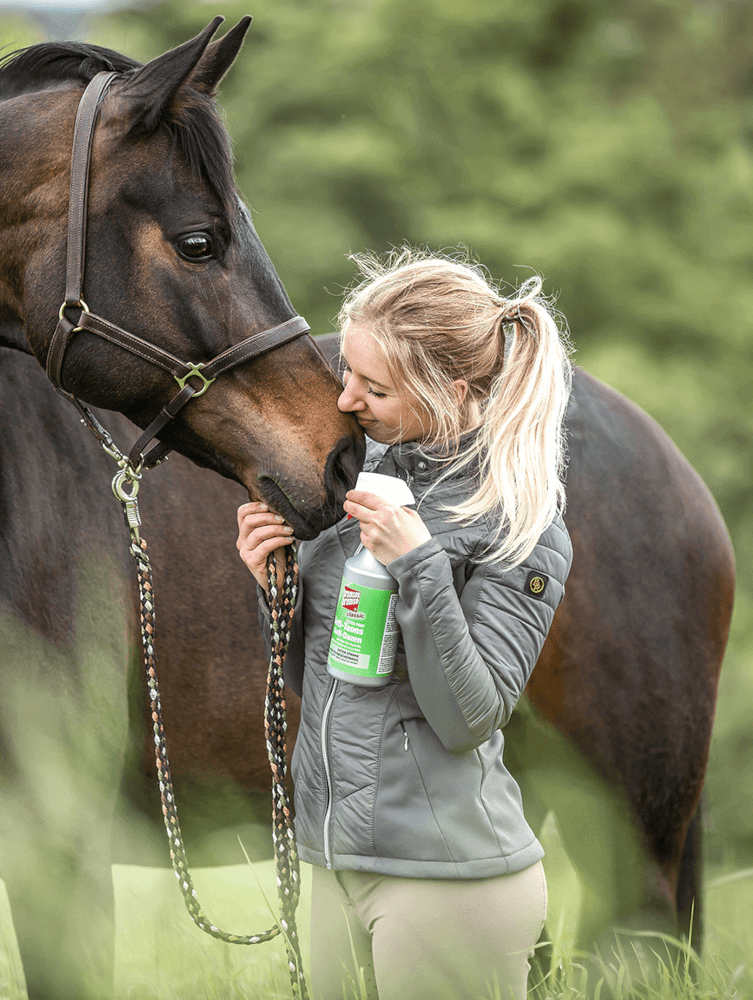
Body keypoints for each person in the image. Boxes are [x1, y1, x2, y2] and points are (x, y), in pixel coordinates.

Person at [236, 249, 574, 1000]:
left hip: (449, 880)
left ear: (449, 391)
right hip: (336, 862)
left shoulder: (519, 524)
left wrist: (420, 566)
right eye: (346, 373)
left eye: (375, 387)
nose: (347, 399)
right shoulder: (356, 490)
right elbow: (321, 681)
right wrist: (276, 588)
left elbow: (470, 717)